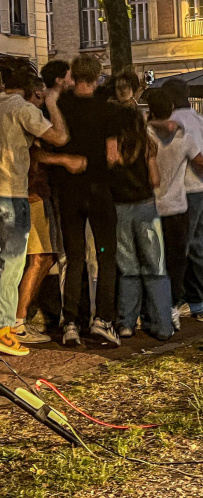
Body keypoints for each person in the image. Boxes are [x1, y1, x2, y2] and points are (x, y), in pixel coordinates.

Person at [0, 67, 69, 356]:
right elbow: (59, 137)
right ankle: (5, 329)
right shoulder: (22, 108)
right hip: (13, 193)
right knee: (12, 263)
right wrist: (52, 103)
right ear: (34, 91)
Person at [53, 56, 121, 346]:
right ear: (97, 77)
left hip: (69, 191)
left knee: (75, 255)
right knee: (106, 255)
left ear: (74, 75)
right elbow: (112, 155)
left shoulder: (61, 105)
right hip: (98, 190)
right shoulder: (108, 110)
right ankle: (103, 319)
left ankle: (71, 321)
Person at [15, 77, 85, 345]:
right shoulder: (26, 115)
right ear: (36, 93)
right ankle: (17, 320)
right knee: (41, 256)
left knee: (34, 257)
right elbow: (56, 139)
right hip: (31, 194)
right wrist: (64, 159)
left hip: (26, 193)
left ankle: (16, 318)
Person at [108, 72, 174, 341]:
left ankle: (126, 323)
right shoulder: (147, 144)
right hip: (146, 205)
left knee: (128, 268)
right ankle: (162, 324)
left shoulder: (113, 144)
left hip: (120, 206)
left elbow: (109, 164)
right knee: (155, 267)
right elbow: (155, 180)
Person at [145, 89, 203, 330]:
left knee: (152, 261)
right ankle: (173, 307)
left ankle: (151, 309)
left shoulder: (145, 134)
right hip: (177, 207)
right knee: (176, 261)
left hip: (150, 206)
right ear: (172, 108)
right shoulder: (184, 137)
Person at [162, 78, 203, 323]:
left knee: (181, 248)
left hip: (187, 190)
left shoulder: (174, 121)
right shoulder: (198, 119)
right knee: (200, 243)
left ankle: (177, 302)